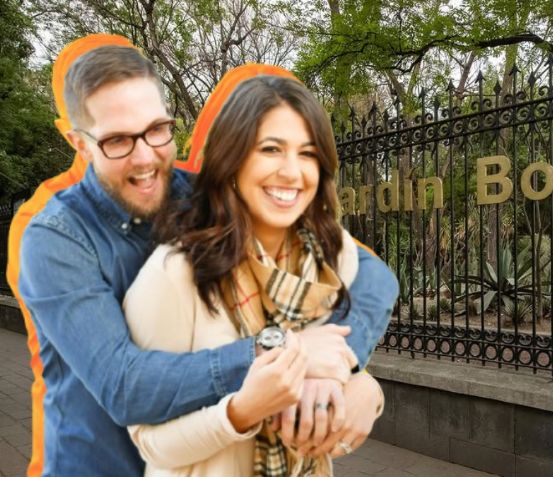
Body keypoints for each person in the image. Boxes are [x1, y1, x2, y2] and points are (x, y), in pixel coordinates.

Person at [9, 35, 397, 477]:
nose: (146, 159)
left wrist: (349, 370)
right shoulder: (54, 238)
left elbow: (372, 276)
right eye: (117, 140)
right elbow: (124, 385)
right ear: (79, 143)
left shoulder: (203, 197)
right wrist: (282, 354)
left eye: (157, 130)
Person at [122, 66, 386, 476]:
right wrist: (241, 412)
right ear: (232, 160)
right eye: (270, 149)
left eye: (308, 153)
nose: (292, 171)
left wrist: (364, 388)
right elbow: (150, 441)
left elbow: (333, 356)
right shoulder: (175, 274)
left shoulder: (332, 259)